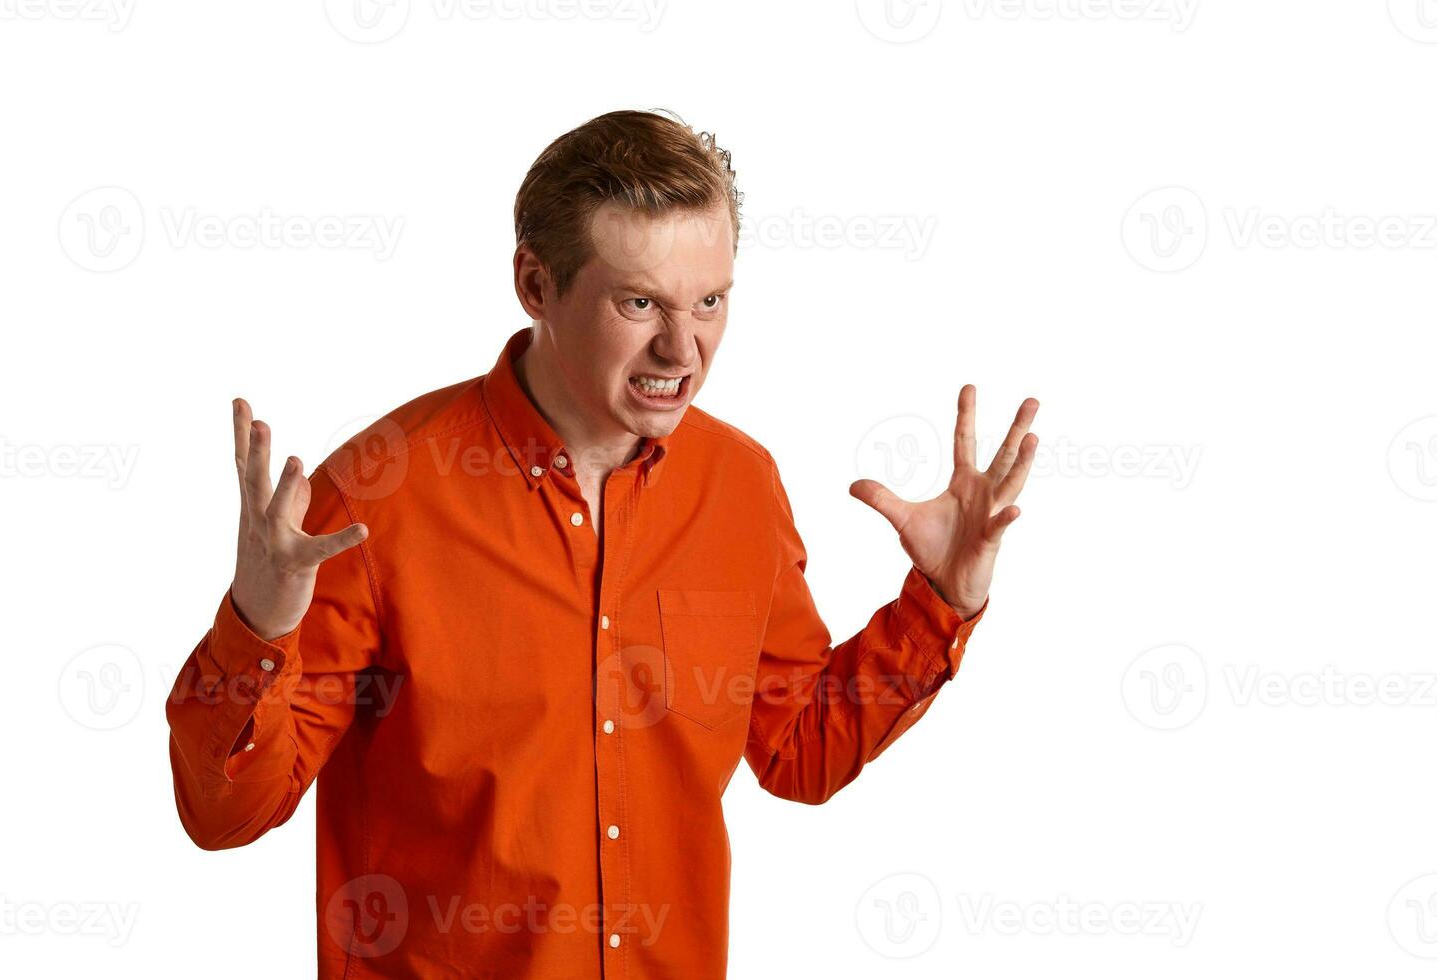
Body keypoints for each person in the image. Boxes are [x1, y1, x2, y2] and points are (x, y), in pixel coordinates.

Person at [165, 108, 1039, 979]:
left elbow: (797, 750)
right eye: (639, 302)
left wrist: (942, 603)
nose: (682, 346)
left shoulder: (740, 485)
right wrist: (258, 625)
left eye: (711, 301)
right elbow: (226, 815)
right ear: (536, 286)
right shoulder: (377, 497)